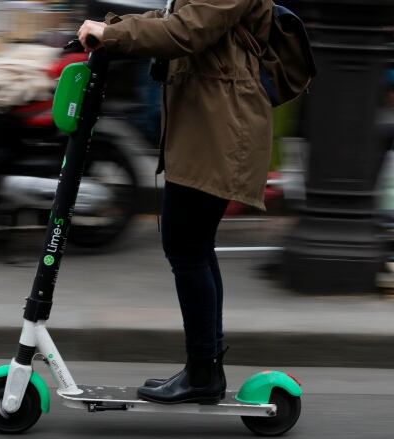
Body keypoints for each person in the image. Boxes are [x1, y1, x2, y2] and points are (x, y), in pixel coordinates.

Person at [77, 0, 273, 404]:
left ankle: (203, 373)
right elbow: (170, 19)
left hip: (220, 132)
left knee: (185, 247)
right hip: (208, 127)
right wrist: (112, 27)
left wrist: (112, 35)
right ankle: (205, 368)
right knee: (193, 247)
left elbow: (186, 31)